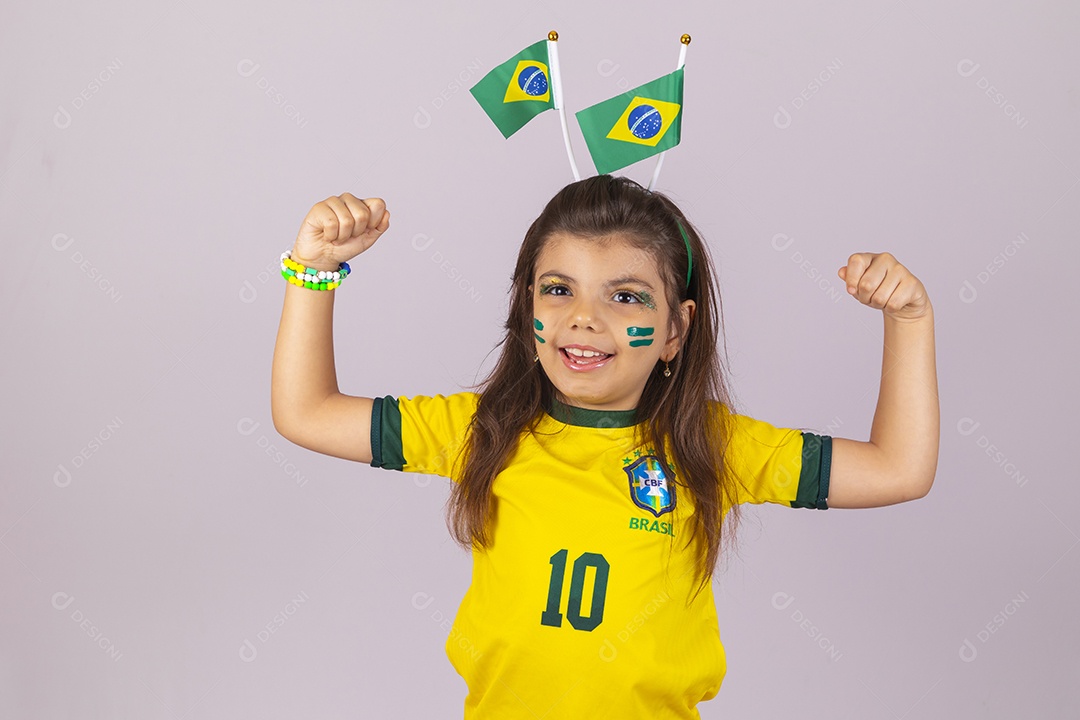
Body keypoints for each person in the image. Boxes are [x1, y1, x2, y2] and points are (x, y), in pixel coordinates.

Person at [271, 174, 939, 718]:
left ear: (675, 330)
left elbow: (898, 470)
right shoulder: (480, 430)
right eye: (558, 290)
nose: (584, 317)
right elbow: (307, 413)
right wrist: (312, 270)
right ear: (526, 308)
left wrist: (910, 320)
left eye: (625, 296)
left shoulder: (712, 446)